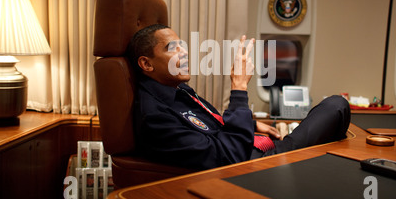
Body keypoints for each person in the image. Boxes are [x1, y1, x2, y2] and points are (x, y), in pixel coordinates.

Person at [129, 24, 350, 170]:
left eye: (183, 47)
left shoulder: (179, 90)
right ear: (146, 63)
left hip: (252, 151)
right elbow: (230, 158)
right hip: (253, 169)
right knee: (336, 106)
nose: (185, 53)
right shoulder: (155, 117)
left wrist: (252, 124)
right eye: (172, 49)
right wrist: (239, 87)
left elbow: (215, 126)